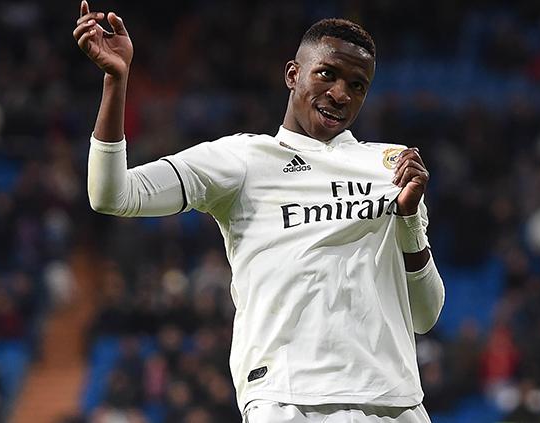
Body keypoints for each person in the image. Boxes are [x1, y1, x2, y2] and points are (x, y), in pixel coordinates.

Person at [73, 1, 445, 421]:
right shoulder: (243, 159)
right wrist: (116, 81)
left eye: (357, 85)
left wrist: (409, 220)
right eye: (328, 74)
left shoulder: (392, 166)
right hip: (287, 402)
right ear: (293, 74)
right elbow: (112, 195)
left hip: (395, 404)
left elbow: (425, 315)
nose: (341, 94)